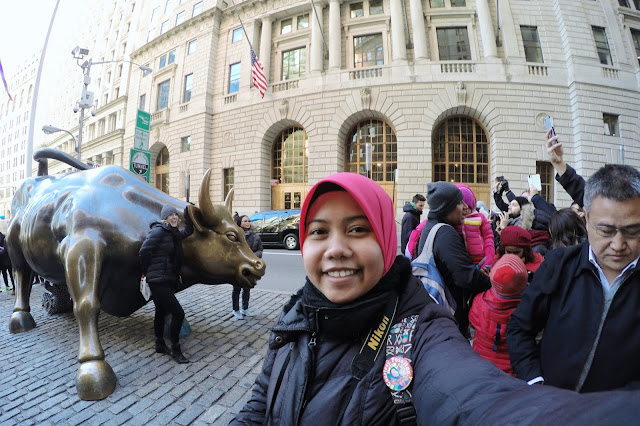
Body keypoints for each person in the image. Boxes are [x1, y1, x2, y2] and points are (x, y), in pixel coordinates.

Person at [231, 172, 640, 425]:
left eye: (358, 230)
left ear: (385, 238)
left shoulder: (424, 332)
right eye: (319, 232)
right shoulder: (296, 314)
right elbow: (258, 407)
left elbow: (477, 401)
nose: (335, 248)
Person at [507, 164, 640, 392]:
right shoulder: (559, 264)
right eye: (606, 231)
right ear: (586, 219)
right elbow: (520, 327)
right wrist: (535, 382)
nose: (618, 245)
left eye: (632, 231)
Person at [415, 182, 491, 338]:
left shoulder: (431, 227)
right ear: (446, 207)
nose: (464, 207)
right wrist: (489, 282)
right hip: (450, 317)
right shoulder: (445, 233)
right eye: (458, 203)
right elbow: (465, 277)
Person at [139, 204, 193, 364]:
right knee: (178, 313)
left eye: (176, 215)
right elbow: (143, 251)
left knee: (161, 312)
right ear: (165, 218)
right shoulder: (159, 231)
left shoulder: (172, 233)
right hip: (158, 280)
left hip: (167, 279)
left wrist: (189, 216)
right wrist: (148, 272)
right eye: (171, 215)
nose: (174, 217)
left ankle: (159, 344)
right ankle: (176, 349)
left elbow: (187, 232)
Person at [469, 254, 528, 376]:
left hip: (481, 366)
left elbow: (472, 323)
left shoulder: (480, 301)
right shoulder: (527, 309)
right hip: (513, 371)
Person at [455, 184, 494, 269]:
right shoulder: (455, 218)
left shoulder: (480, 217)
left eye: (468, 207)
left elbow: (488, 237)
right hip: (464, 260)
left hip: (481, 259)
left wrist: (488, 258)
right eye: (463, 208)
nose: (466, 210)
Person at [232, 215, 263, 320]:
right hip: (238, 266)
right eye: (245, 221)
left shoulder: (255, 236)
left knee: (247, 288)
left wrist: (253, 257)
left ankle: (245, 308)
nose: (247, 222)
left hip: (250, 266)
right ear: (240, 223)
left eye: (249, 221)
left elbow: (260, 249)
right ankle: (235, 310)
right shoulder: (235, 235)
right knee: (237, 289)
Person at [0, 230, 14, 295]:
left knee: (8, 274)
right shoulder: (5, 237)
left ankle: (10, 286)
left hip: (4, 259)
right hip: (5, 259)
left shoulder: (4, 237)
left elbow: (5, 250)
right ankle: (9, 286)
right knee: (7, 274)